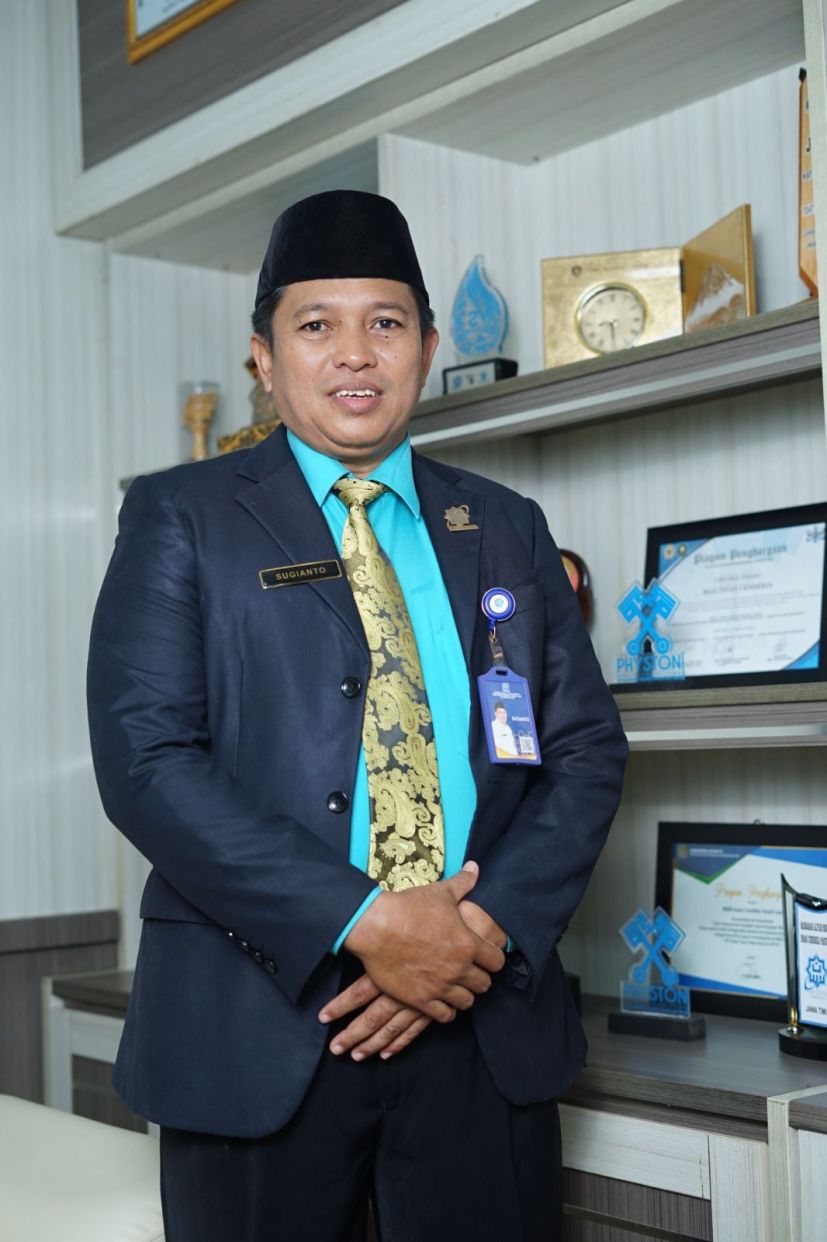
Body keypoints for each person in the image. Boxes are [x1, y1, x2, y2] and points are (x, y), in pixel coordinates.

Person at [87, 189, 628, 1242]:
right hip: (258, 1028)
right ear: (262, 356)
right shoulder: (180, 516)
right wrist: (371, 925)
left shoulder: (502, 525)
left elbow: (582, 751)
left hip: (481, 1019)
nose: (353, 354)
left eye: (384, 323)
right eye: (314, 325)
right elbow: (146, 759)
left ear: (426, 349)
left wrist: (471, 934)